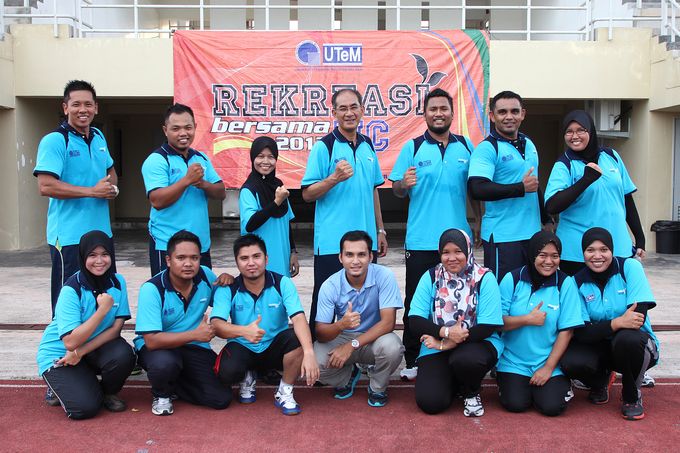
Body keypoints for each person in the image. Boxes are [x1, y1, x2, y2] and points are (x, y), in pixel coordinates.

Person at [389, 88, 481, 381]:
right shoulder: (413, 147)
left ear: (452, 113)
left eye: (444, 108)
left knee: (461, 299)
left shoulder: (466, 146)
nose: (438, 113)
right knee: (417, 302)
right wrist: (403, 183)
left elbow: (473, 188)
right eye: (433, 109)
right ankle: (413, 358)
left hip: (458, 242)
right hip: (421, 240)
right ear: (425, 114)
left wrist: (479, 220)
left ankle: (459, 352)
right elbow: (397, 189)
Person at [301, 88, 388, 338]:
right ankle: (316, 353)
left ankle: (359, 352)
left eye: (353, 107)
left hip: (365, 243)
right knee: (324, 305)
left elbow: (373, 190)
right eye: (343, 108)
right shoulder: (324, 147)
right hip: (332, 244)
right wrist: (334, 178)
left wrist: (380, 229)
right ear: (334, 113)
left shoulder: (368, 145)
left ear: (362, 110)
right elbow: (307, 194)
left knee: (366, 303)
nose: (349, 113)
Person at [34, 80, 119, 318]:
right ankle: (65, 341)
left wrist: (111, 188)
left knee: (102, 297)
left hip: (102, 234)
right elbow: (45, 185)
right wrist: (92, 191)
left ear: (96, 108)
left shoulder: (99, 136)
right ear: (65, 108)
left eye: (88, 104)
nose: (83, 110)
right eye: (76, 104)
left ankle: (98, 340)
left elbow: (110, 171)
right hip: (69, 237)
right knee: (68, 301)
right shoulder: (55, 140)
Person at [211, 234, 319, 415]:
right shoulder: (228, 288)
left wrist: (309, 352)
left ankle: (285, 390)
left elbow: (299, 318)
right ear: (236, 262)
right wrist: (244, 331)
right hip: (243, 347)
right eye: (244, 258)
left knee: (297, 338)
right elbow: (216, 325)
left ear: (266, 259)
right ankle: (248, 374)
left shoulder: (282, 283)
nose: (251, 263)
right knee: (226, 373)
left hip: (274, 348)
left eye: (256, 256)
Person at [560, 227, 659, 421]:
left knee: (627, 339)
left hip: (636, 345)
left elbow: (637, 318)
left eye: (603, 249)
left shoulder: (629, 268)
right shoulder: (575, 282)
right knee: (571, 360)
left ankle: (631, 395)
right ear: (583, 253)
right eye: (590, 250)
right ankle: (600, 381)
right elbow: (581, 333)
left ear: (612, 251)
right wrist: (618, 322)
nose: (597, 256)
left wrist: (601, 328)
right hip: (601, 346)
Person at [36, 230, 135, 419]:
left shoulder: (117, 282)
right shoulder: (71, 289)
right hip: (60, 354)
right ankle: (58, 385)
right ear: (82, 257)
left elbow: (115, 330)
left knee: (124, 354)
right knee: (84, 408)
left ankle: (106, 393)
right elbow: (70, 342)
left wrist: (80, 353)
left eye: (105, 254)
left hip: (88, 349)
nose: (100, 261)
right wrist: (102, 311)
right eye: (92, 255)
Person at [134, 230, 231, 416]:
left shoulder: (205, 276)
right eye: (181, 258)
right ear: (168, 260)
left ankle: (175, 384)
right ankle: (162, 394)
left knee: (221, 398)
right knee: (165, 364)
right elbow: (151, 341)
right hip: (160, 347)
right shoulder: (152, 289)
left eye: (194, 258)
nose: (188, 263)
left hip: (194, 347)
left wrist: (229, 279)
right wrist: (195, 334)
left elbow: (224, 296)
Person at [409, 229, 503, 416]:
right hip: (436, 345)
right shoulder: (431, 277)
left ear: (468, 251)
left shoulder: (485, 278)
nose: (451, 258)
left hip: (478, 343)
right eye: (446, 252)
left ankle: (471, 391)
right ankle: (454, 382)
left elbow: (487, 327)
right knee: (431, 402)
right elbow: (414, 321)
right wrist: (446, 333)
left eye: (458, 251)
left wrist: (449, 342)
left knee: (466, 360)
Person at [545, 110, 645, 276]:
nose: (574, 136)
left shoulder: (611, 156)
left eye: (580, 130)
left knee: (619, 292)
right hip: (578, 253)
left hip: (618, 247)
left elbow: (626, 199)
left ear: (590, 131)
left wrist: (640, 238)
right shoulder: (564, 164)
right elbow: (552, 206)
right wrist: (585, 180)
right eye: (569, 132)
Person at [496, 231, 583, 416]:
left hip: (548, 361)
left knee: (552, 407)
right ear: (532, 255)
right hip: (514, 361)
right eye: (542, 255)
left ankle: (559, 385)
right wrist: (526, 319)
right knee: (516, 404)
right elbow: (497, 323)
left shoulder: (565, 283)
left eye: (555, 256)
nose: (549, 261)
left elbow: (567, 331)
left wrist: (548, 368)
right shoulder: (512, 279)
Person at [314, 230, 404, 407]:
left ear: (371, 256)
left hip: (375, 337)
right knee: (315, 362)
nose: (355, 261)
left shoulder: (384, 276)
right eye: (349, 255)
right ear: (340, 258)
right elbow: (321, 333)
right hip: (344, 335)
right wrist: (341, 325)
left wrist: (351, 345)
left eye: (361, 254)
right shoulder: (330, 285)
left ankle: (377, 387)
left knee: (393, 347)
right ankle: (347, 376)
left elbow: (388, 323)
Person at [468, 90, 551, 282]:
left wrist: (547, 219)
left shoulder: (529, 144)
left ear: (523, 114)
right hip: (503, 238)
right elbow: (477, 188)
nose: (509, 117)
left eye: (514, 111)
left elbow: (533, 184)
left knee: (529, 290)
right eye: (502, 112)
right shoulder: (487, 148)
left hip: (532, 236)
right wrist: (520, 188)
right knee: (503, 293)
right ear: (492, 116)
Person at [142, 103, 226, 276]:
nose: (183, 133)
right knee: (168, 292)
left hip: (200, 245)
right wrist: (187, 180)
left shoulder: (201, 158)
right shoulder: (157, 160)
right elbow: (157, 201)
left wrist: (203, 183)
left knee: (201, 291)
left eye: (188, 127)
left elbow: (221, 192)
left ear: (195, 127)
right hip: (168, 245)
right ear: (165, 130)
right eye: (176, 128)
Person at [239, 137, 298, 277]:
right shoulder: (248, 189)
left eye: (271, 157)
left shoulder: (279, 185)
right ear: (253, 158)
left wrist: (293, 251)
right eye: (260, 156)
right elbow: (250, 224)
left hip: (282, 256)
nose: (265, 161)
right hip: (259, 261)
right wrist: (276, 202)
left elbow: (286, 222)